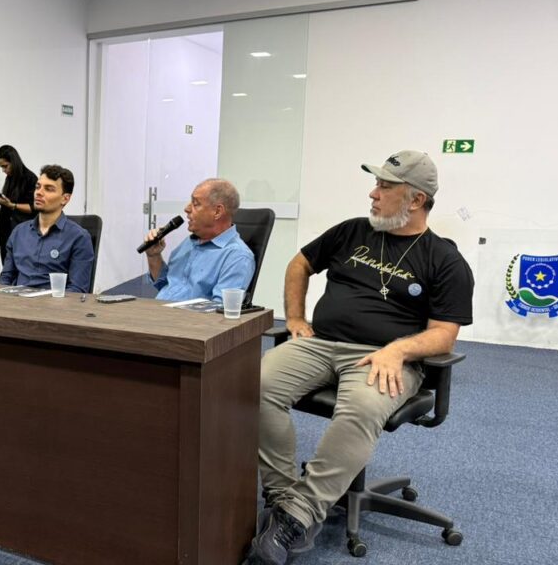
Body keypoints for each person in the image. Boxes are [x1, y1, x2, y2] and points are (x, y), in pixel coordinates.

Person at [243, 150, 474, 565]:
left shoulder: (444, 259)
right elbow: (299, 264)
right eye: (376, 184)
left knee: (362, 409)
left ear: (416, 200)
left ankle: (297, 516)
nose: (373, 193)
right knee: (253, 386)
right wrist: (295, 317)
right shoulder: (352, 231)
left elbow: (444, 334)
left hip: (384, 358)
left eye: (385, 186)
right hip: (320, 344)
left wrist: (399, 349)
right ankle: (283, 497)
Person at [144, 178, 254, 302]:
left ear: (217, 211)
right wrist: (153, 256)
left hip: (183, 314)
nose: (187, 209)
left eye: (196, 204)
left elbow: (219, 309)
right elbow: (165, 285)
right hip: (157, 309)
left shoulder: (238, 256)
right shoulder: (189, 243)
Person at [0, 164, 94, 293]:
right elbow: (5, 279)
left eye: (49, 189)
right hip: (17, 301)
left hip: (54, 303)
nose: (39, 192)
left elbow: (77, 290)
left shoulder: (79, 237)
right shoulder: (19, 232)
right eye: (38, 187)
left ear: (65, 198)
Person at [0, 145, 37, 263]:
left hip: (22, 234)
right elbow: (10, 202)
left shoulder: (30, 178)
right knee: (7, 269)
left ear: (14, 162)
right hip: (6, 232)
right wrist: (1, 201)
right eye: (1, 167)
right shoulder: (9, 178)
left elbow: (33, 208)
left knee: (22, 269)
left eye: (5, 166)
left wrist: (12, 205)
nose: (3, 170)